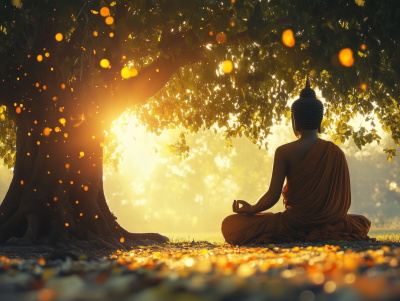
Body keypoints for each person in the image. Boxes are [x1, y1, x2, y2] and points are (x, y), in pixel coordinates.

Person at [221, 76, 371, 245]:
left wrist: (251, 209)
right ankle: (320, 229)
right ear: (320, 121)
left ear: (295, 121)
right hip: (329, 223)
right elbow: (342, 202)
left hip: (294, 223)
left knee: (230, 224)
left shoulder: (284, 151)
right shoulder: (336, 152)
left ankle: (301, 231)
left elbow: (272, 196)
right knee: (362, 222)